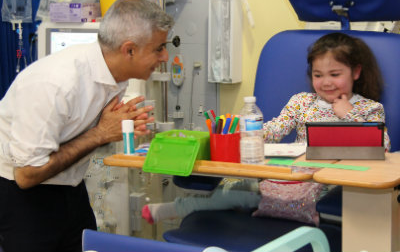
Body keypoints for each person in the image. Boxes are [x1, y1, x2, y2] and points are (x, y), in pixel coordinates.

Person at [142, 32, 391, 224]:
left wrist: (349, 114)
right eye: (318, 75)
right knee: (232, 191)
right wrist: (245, 129)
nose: (325, 82)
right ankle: (176, 208)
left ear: (356, 72)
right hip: (288, 179)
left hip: (330, 188)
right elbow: (274, 130)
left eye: (335, 74)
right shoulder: (302, 102)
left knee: (353, 209)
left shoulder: (369, 109)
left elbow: (383, 147)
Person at [0, 0, 174, 252]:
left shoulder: (115, 75)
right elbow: (26, 175)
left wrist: (112, 130)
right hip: (22, 194)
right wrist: (101, 134)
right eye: (159, 48)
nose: (165, 56)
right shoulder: (56, 84)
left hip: (69, 188)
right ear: (129, 50)